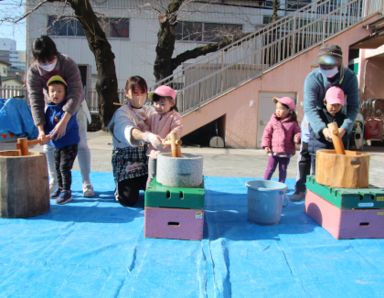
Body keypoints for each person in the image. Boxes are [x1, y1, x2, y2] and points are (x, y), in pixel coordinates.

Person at [26, 35, 95, 198]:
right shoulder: (34, 71)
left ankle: (86, 181)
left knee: (81, 143)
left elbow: (76, 92)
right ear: (37, 59)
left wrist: (65, 121)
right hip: (51, 109)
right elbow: (35, 99)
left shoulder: (67, 63)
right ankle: (55, 181)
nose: (47, 64)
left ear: (55, 54)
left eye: (50, 59)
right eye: (43, 61)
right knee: (49, 145)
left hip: (74, 107)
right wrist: (40, 129)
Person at [290, 44, 360, 201]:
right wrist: (322, 129)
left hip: (339, 118)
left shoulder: (349, 78)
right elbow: (309, 107)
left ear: (339, 62)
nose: (327, 67)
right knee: (307, 153)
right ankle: (300, 188)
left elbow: (354, 106)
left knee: (338, 155)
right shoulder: (313, 78)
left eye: (331, 62)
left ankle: (331, 192)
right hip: (315, 118)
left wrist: (345, 127)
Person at [108, 76, 163, 207]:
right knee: (128, 199)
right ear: (127, 93)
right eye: (135, 93)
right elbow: (128, 130)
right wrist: (147, 136)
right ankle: (120, 186)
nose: (139, 96)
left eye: (142, 92)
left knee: (159, 193)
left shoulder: (151, 110)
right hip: (126, 160)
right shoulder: (122, 112)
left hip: (147, 160)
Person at [45, 75, 79, 204]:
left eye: (59, 91)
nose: (55, 94)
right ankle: (60, 188)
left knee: (64, 167)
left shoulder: (68, 109)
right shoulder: (49, 109)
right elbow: (47, 125)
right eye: (52, 91)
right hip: (57, 145)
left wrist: (51, 134)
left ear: (65, 93)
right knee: (57, 166)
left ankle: (67, 191)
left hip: (69, 144)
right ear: (48, 93)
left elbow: (67, 125)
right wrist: (43, 134)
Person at [146, 85, 183, 187]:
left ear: (172, 103)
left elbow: (178, 128)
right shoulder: (152, 115)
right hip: (153, 153)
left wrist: (171, 136)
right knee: (152, 175)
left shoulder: (175, 116)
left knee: (168, 176)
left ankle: (164, 196)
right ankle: (150, 198)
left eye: (162, 104)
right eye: (156, 103)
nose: (158, 106)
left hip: (168, 154)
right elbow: (146, 128)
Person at [261, 96, 301, 183]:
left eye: (281, 108)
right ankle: (264, 183)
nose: (278, 110)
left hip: (286, 152)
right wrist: (266, 145)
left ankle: (281, 185)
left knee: (283, 170)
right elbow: (266, 134)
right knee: (270, 168)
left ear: (289, 111)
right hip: (273, 151)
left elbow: (298, 132)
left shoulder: (293, 123)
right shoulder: (273, 121)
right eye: (277, 108)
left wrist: (297, 137)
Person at [308, 86, 347, 174]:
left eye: (338, 105)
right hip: (318, 152)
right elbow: (313, 130)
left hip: (335, 153)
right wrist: (324, 133)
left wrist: (342, 135)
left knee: (333, 174)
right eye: (332, 104)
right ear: (325, 102)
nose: (335, 107)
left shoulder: (343, 118)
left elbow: (346, 135)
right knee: (318, 175)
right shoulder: (318, 115)